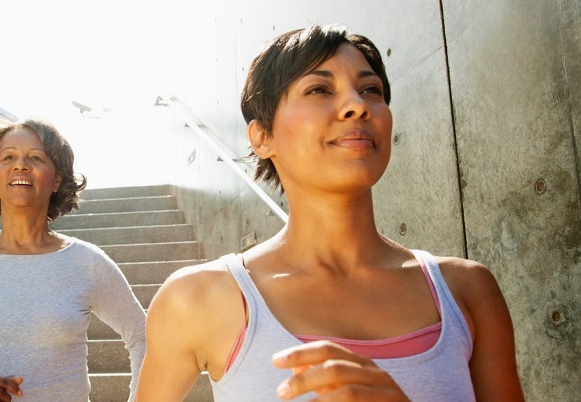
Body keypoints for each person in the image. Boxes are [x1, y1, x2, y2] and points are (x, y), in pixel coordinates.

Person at [135, 24, 524, 401]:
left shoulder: (466, 290)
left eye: (371, 89)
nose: (357, 106)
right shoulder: (197, 298)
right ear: (262, 137)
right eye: (319, 89)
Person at [0, 118, 146, 402]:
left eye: (35, 157)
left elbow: (145, 338)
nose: (20, 165)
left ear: (57, 179)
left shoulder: (87, 262)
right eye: (8, 157)